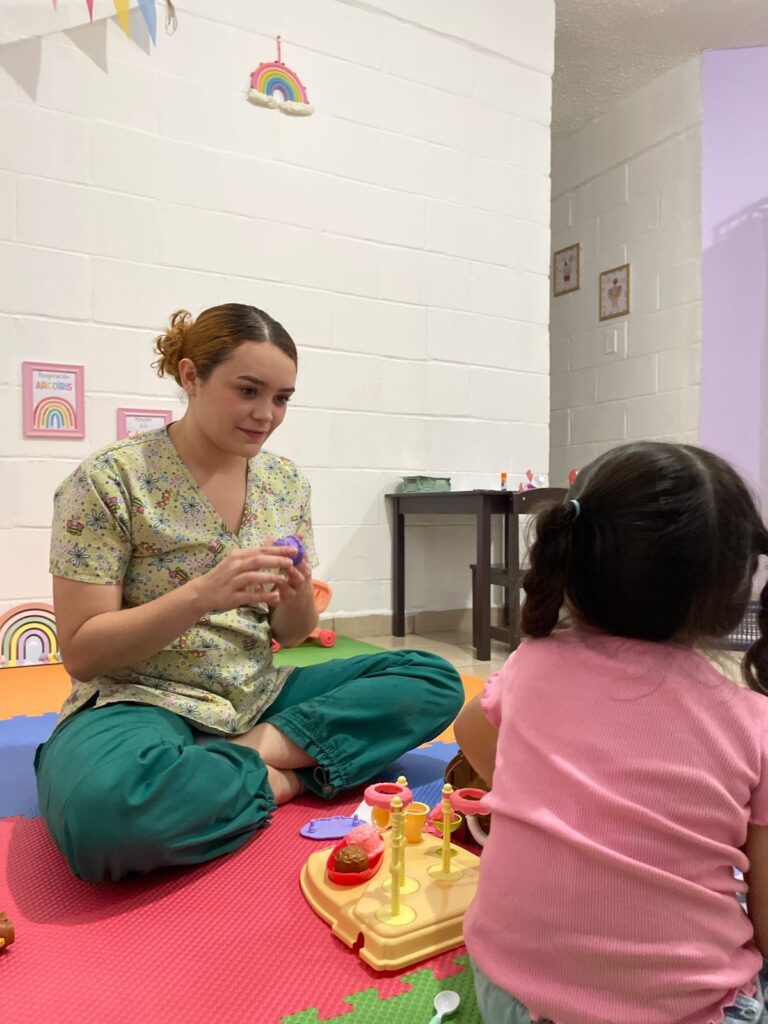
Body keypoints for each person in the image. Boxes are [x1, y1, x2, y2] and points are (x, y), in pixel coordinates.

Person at [35, 303, 463, 883]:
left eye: (282, 398)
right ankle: (289, 774)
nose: (266, 415)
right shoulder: (110, 481)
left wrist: (296, 594)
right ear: (191, 376)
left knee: (433, 680)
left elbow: (292, 632)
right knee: (103, 817)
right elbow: (82, 652)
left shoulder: (284, 483)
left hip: (255, 694)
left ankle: (238, 760)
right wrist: (201, 595)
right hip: (139, 697)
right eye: (248, 391)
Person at [455, 442, 768, 1024]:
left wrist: (546, 791)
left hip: (510, 997)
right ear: (733, 594)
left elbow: (469, 728)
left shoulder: (532, 664)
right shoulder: (753, 721)